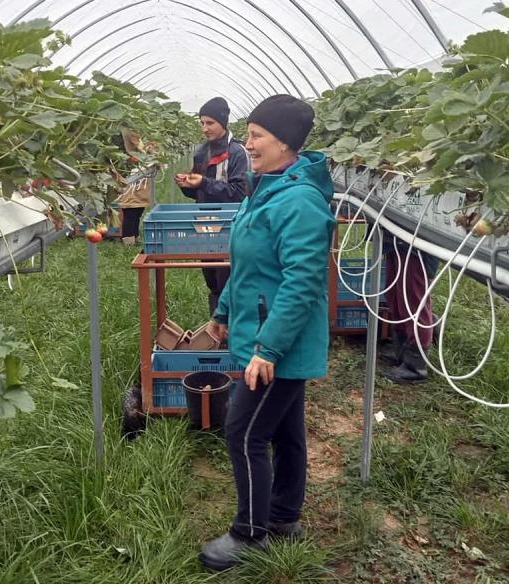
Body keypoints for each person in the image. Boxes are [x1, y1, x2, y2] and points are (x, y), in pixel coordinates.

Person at [200, 95, 335, 571]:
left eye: (257, 136)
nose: (249, 144)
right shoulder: (268, 185)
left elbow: (302, 281)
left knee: (244, 434)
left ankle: (251, 532)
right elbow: (252, 264)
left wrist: (268, 347)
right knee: (286, 431)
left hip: (277, 342)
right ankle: (283, 517)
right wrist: (223, 308)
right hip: (264, 331)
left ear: (285, 142)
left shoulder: (300, 201)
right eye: (250, 134)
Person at [174, 97, 250, 316]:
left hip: (232, 225)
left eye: (210, 123)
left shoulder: (237, 153)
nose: (205, 128)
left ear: (223, 123)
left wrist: (204, 183)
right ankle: (218, 326)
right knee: (212, 276)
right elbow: (200, 190)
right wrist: (187, 185)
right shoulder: (202, 152)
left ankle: (232, 330)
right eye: (202, 123)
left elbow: (240, 193)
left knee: (229, 277)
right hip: (206, 223)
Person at [380, 237, 438, 383]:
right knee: (395, 296)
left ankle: (416, 365)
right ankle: (402, 351)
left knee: (413, 301)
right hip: (397, 241)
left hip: (416, 246)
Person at [116, 128, 155, 245]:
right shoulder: (128, 130)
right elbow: (135, 145)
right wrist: (148, 153)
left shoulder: (136, 133)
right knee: (130, 209)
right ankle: (128, 239)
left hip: (138, 172)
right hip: (131, 172)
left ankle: (134, 236)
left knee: (137, 209)